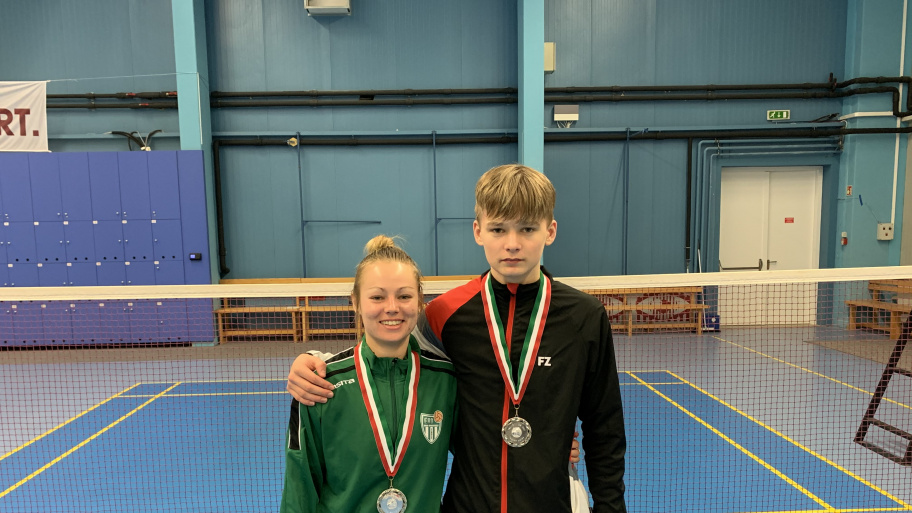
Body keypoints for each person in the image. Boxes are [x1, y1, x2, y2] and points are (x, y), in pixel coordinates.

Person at [288, 164, 627, 513]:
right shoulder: (445, 313)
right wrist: (314, 360)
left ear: (550, 231)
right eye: (498, 229)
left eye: (527, 229)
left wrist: (610, 506)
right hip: (467, 505)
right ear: (478, 231)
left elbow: (605, 427)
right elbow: (388, 356)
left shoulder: (584, 318)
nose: (512, 244)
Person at [281, 235, 457, 513]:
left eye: (404, 296)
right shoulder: (320, 384)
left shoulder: (446, 380)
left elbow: (479, 463)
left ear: (420, 301)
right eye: (377, 297)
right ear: (356, 302)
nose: (392, 307)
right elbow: (299, 487)